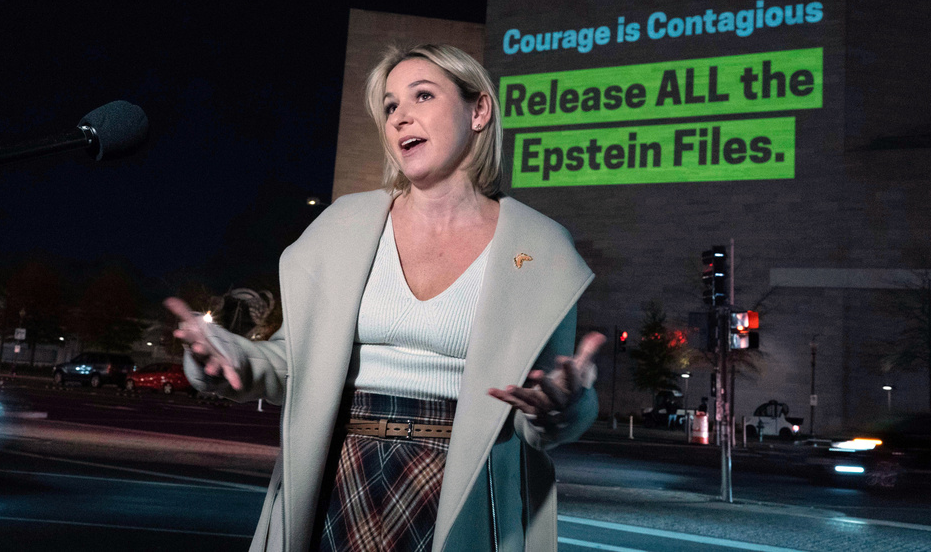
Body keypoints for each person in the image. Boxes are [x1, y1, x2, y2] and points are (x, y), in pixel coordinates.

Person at [167, 44, 604, 552]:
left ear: (479, 111)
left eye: (422, 95)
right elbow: (292, 365)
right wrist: (227, 353)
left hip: (464, 486)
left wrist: (565, 407)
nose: (400, 117)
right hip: (338, 473)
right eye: (390, 105)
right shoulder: (343, 226)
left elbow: (550, 401)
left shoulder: (541, 246)